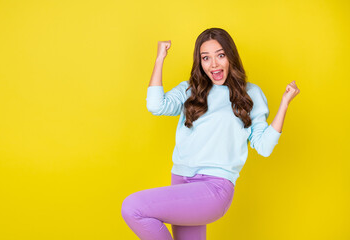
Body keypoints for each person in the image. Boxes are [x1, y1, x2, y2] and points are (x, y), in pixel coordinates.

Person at [121, 27, 300, 240]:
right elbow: (156, 105)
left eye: (220, 55)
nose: (213, 64)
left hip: (214, 187)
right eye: (206, 58)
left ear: (230, 57)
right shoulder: (190, 90)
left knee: (134, 207)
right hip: (180, 179)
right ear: (200, 62)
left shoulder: (251, 94)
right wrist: (160, 58)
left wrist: (284, 105)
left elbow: (264, 147)